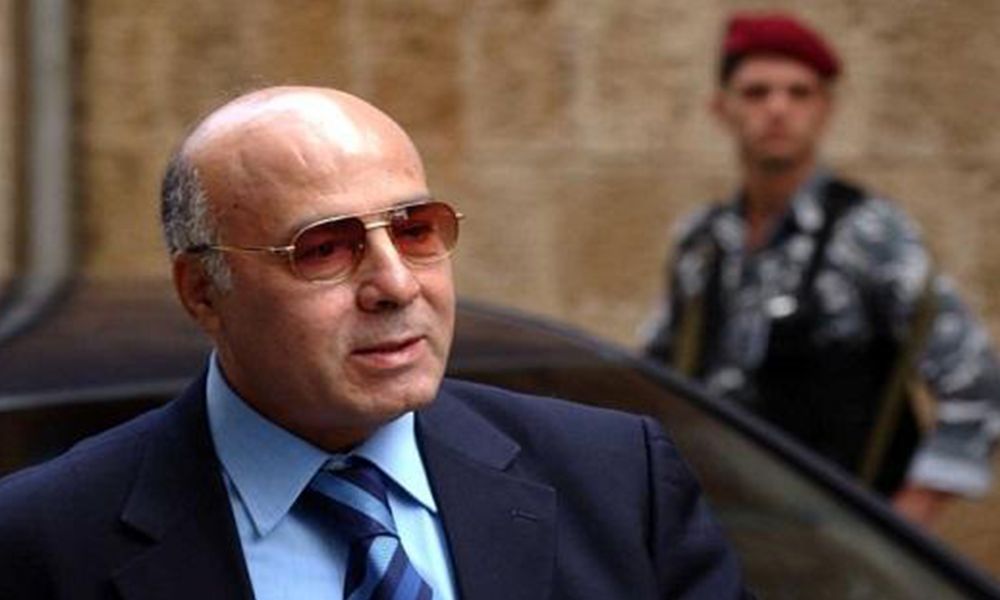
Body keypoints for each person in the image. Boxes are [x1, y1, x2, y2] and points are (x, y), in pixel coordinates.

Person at [0, 86, 749, 599]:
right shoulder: (45, 540)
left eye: (415, 231)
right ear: (203, 290)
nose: (395, 284)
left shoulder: (617, 481)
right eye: (324, 249)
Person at [644, 12, 1000, 526]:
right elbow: (656, 385)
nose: (777, 109)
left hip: (832, 542)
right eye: (756, 93)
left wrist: (898, 527)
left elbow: (978, 387)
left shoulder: (867, 234)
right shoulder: (701, 242)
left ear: (825, 108)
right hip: (722, 534)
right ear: (721, 109)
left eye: (799, 93)